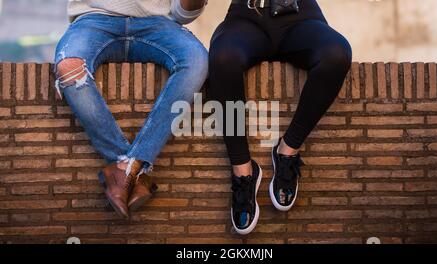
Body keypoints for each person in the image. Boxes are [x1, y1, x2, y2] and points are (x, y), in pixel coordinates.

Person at [208, 0, 352, 234]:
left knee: (336, 54)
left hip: (301, 17)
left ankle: (288, 150)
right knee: (223, 59)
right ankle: (243, 172)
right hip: (246, 17)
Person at [54, 0, 208, 219]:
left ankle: (125, 170)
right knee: (68, 67)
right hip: (92, 21)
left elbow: (183, 14)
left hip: (158, 24)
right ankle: (134, 168)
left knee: (197, 60)